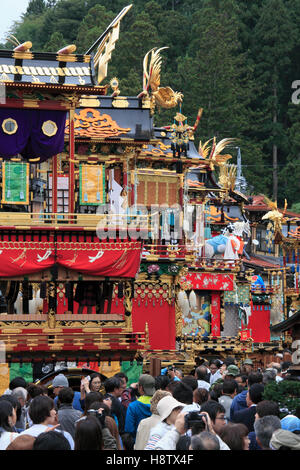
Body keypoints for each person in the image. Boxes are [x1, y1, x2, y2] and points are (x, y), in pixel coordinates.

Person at [125, 374, 156, 441]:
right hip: (157, 442)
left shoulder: (133, 406)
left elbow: (129, 429)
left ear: (141, 388)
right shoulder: (160, 404)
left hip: (138, 441)